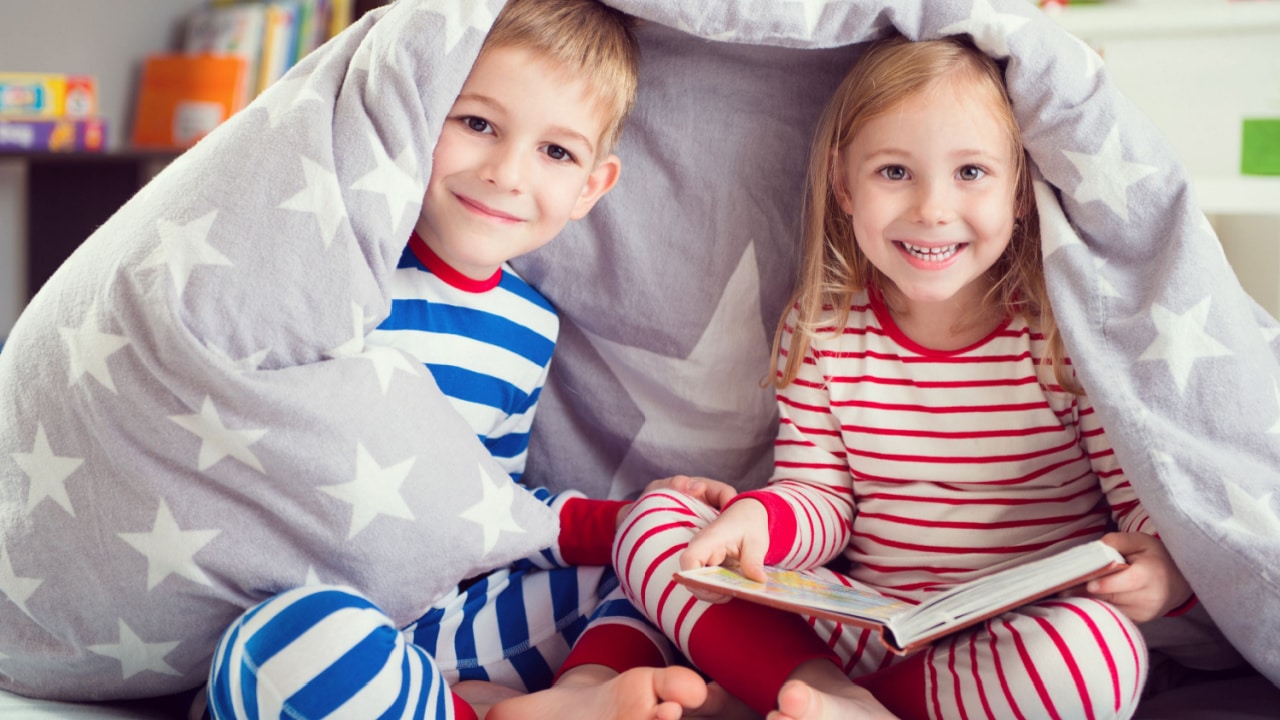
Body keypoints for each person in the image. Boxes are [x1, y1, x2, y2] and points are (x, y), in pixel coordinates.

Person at [613, 33, 1211, 720]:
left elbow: (1138, 495)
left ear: (1020, 190)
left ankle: (819, 705)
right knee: (657, 525)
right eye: (895, 172)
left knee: (1099, 655)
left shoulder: (1059, 332)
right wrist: (761, 520)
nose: (931, 208)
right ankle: (824, 694)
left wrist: (1164, 576)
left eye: (971, 173)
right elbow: (821, 498)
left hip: (1021, 635)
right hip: (871, 628)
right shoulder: (826, 327)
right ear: (844, 184)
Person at [202, 2, 730, 718]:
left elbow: (492, 511)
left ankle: (574, 696)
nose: (507, 173)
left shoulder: (528, 327)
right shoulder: (347, 265)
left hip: (450, 618)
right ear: (420, 114)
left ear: (592, 188)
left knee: (664, 556)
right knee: (281, 647)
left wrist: (631, 519)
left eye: (556, 152)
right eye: (478, 124)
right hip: (320, 606)